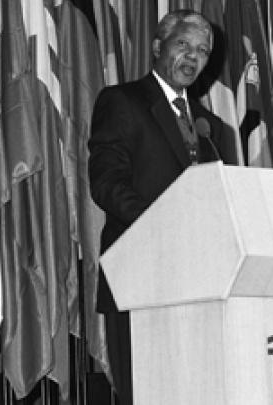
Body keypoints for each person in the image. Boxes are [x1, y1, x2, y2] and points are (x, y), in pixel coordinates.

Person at [88, 9, 228, 405]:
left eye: (202, 50)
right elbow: (106, 183)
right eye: (182, 44)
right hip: (140, 276)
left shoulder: (209, 125)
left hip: (202, 285)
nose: (192, 57)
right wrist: (163, 224)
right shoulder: (122, 101)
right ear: (157, 47)